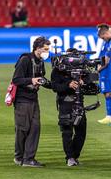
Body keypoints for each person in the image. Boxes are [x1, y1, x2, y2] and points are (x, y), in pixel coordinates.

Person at [12, 36, 51, 167]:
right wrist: (31, 80)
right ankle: (19, 156)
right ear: (38, 49)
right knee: (22, 129)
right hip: (22, 100)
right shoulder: (25, 60)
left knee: (35, 128)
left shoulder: (40, 62)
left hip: (33, 99)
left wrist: (48, 83)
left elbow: (41, 77)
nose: (47, 51)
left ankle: (29, 159)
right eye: (45, 49)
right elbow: (16, 80)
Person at [51, 48, 88, 166]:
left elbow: (91, 78)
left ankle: (75, 156)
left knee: (81, 131)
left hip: (79, 102)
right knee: (67, 132)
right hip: (65, 103)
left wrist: (84, 81)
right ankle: (70, 157)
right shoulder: (58, 70)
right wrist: (68, 84)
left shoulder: (82, 69)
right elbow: (55, 87)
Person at [97, 24, 111, 124]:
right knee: (105, 93)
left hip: (107, 71)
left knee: (108, 93)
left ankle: (110, 116)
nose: (103, 39)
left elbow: (107, 61)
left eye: (103, 37)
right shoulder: (106, 43)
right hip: (104, 70)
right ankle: (109, 115)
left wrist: (98, 69)